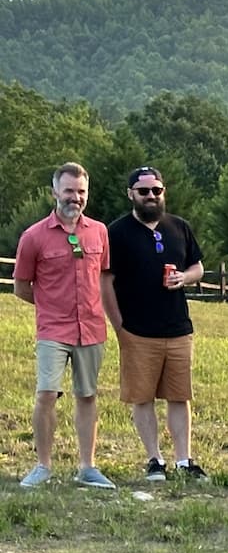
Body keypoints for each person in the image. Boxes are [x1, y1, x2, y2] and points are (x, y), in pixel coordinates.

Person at [101, 166, 208, 481]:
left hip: (178, 328)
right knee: (142, 396)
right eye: (143, 191)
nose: (151, 196)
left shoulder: (180, 227)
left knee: (179, 396)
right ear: (131, 194)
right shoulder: (116, 232)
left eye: (156, 190)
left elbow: (198, 266)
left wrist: (184, 277)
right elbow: (105, 282)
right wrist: (119, 326)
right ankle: (154, 460)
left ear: (164, 192)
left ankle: (184, 461)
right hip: (137, 329)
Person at [14, 163, 116, 489]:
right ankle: (43, 466)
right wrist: (50, 305)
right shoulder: (33, 237)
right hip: (52, 330)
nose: (75, 197)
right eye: (69, 191)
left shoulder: (99, 232)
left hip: (91, 328)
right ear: (55, 192)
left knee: (87, 396)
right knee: (46, 394)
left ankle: (88, 467)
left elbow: (102, 276)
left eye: (81, 191)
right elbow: (21, 286)